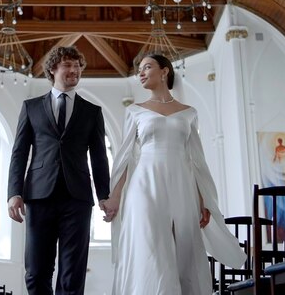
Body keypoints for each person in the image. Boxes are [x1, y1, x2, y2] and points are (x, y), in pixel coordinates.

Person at [102, 54, 246, 294]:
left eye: (147, 67)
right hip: (145, 185)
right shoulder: (136, 111)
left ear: (165, 72)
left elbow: (196, 161)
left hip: (181, 185)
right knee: (151, 246)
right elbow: (125, 156)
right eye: (139, 69)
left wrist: (202, 201)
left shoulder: (189, 112)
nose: (141, 73)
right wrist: (115, 196)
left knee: (184, 250)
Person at [7, 46, 111, 295]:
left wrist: (104, 195)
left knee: (72, 273)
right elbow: (19, 152)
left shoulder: (92, 111)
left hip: (78, 199)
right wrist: (14, 192)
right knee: (36, 270)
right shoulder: (30, 107)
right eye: (67, 64)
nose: (74, 70)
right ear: (53, 69)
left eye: (77, 66)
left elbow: (99, 157)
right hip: (39, 196)